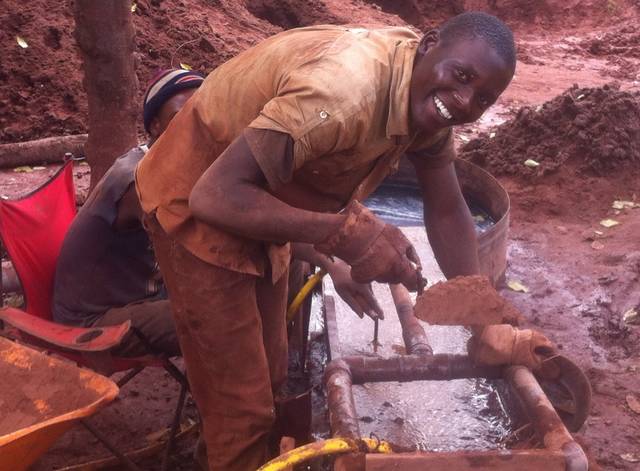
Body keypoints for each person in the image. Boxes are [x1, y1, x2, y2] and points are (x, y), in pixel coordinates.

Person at [136, 12, 518, 470]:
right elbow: (214, 197)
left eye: (483, 98)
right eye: (461, 77)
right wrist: (345, 234)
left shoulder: (425, 97)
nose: (463, 101)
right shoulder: (342, 93)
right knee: (241, 407)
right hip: (197, 199)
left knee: (271, 374)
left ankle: (220, 456)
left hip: (263, 196)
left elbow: (447, 204)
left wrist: (482, 314)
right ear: (429, 44)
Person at [51, 68, 206, 357]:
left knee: (224, 296)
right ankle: (230, 400)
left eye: (200, 117)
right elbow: (194, 244)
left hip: (138, 294)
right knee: (216, 317)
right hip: (93, 320)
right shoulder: (139, 178)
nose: (193, 128)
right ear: (156, 126)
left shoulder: (169, 165)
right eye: (180, 118)